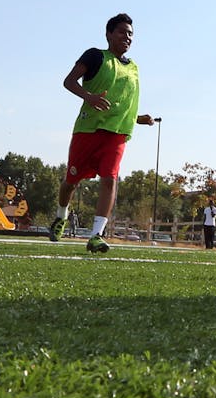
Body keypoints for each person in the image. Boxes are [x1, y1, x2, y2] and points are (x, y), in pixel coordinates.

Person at [48, 13, 157, 253]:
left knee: (109, 179)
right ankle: (60, 216)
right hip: (88, 130)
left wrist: (139, 119)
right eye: (121, 32)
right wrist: (90, 97)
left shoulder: (134, 68)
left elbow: (123, 104)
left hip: (117, 134)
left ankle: (96, 235)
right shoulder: (95, 56)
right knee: (71, 181)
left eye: (130, 34)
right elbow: (69, 81)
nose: (127, 37)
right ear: (108, 34)